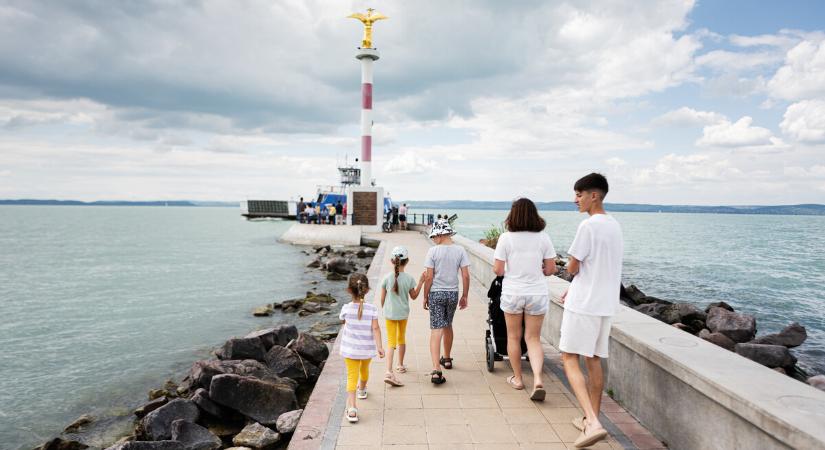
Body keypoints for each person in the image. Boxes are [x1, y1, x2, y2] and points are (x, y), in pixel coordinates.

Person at [559, 173, 623, 448]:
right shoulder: (615, 225)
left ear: (593, 195)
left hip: (584, 303)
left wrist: (573, 281)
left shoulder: (588, 226)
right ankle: (590, 418)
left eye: (579, 194)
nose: (576, 200)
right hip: (605, 304)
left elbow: (573, 266)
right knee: (593, 359)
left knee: (569, 357)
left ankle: (593, 423)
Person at [493, 198, 556, 401]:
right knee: (533, 339)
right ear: (534, 214)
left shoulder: (505, 238)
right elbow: (551, 270)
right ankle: (537, 379)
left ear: (513, 215)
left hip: (513, 293)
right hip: (537, 293)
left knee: (513, 337)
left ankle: (518, 379)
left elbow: (498, 270)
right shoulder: (543, 238)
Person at [423, 219, 470, 384]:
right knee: (448, 324)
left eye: (434, 236)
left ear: (440, 234)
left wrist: (425, 296)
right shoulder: (460, 250)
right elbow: (465, 275)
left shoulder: (433, 252)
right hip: (452, 294)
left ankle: (436, 369)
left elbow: (429, 277)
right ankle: (447, 358)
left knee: (436, 329)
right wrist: (465, 295)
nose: (433, 240)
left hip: (436, 294)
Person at [339, 273, 384, 423]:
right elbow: (376, 328)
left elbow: (343, 322)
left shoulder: (346, 308)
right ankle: (362, 390)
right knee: (364, 370)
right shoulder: (372, 309)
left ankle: (352, 409)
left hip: (350, 350)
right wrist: (380, 347)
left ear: (349, 290)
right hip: (366, 350)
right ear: (367, 290)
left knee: (352, 376)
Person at [380, 246, 426, 387]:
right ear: (407, 261)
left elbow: (382, 299)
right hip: (403, 314)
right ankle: (400, 365)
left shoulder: (387, 278)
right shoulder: (409, 279)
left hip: (390, 314)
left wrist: (386, 309)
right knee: (401, 338)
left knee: (391, 342)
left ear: (391, 261)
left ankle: (388, 371)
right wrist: (421, 282)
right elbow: (414, 296)